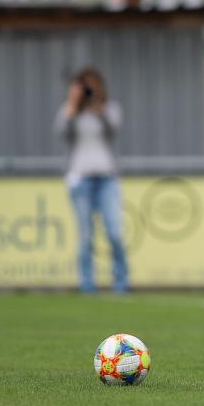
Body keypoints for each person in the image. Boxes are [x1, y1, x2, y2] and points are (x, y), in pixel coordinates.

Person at [55, 67, 129, 294]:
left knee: (114, 232)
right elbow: (61, 133)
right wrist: (73, 104)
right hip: (81, 178)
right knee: (86, 234)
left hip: (106, 178)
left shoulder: (109, 108)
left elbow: (113, 129)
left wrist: (98, 106)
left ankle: (121, 283)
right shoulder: (71, 111)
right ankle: (87, 285)